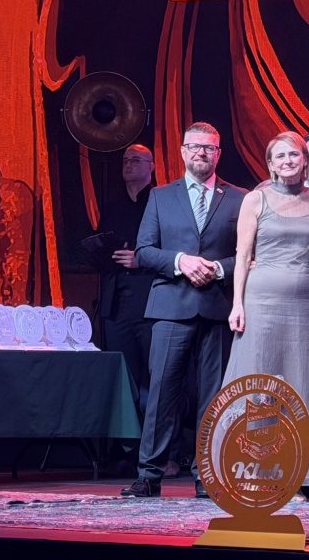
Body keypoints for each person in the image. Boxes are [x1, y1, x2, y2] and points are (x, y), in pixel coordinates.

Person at [122, 123, 247, 498]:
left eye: (209, 148)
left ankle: (208, 475)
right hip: (171, 306)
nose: (201, 153)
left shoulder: (240, 198)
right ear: (182, 152)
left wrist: (220, 268)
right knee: (161, 393)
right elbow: (144, 251)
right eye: (194, 147)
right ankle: (149, 474)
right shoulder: (161, 197)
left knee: (214, 396)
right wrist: (180, 261)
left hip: (217, 307)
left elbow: (249, 254)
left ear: (218, 154)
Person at [225, 132, 309, 431]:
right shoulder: (255, 199)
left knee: (306, 377)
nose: (288, 160)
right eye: (281, 156)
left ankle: (306, 456)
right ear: (271, 164)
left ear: (304, 160)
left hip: (306, 305)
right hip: (261, 303)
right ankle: (254, 453)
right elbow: (243, 255)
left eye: (294, 154)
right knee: (259, 373)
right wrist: (237, 304)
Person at [83, 142, 157, 415]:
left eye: (136, 160)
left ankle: (156, 436)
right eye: (126, 160)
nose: (128, 164)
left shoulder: (161, 203)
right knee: (124, 374)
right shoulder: (113, 207)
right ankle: (126, 435)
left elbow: (173, 249)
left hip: (150, 303)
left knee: (154, 375)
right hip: (116, 305)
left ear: (152, 166)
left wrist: (142, 258)